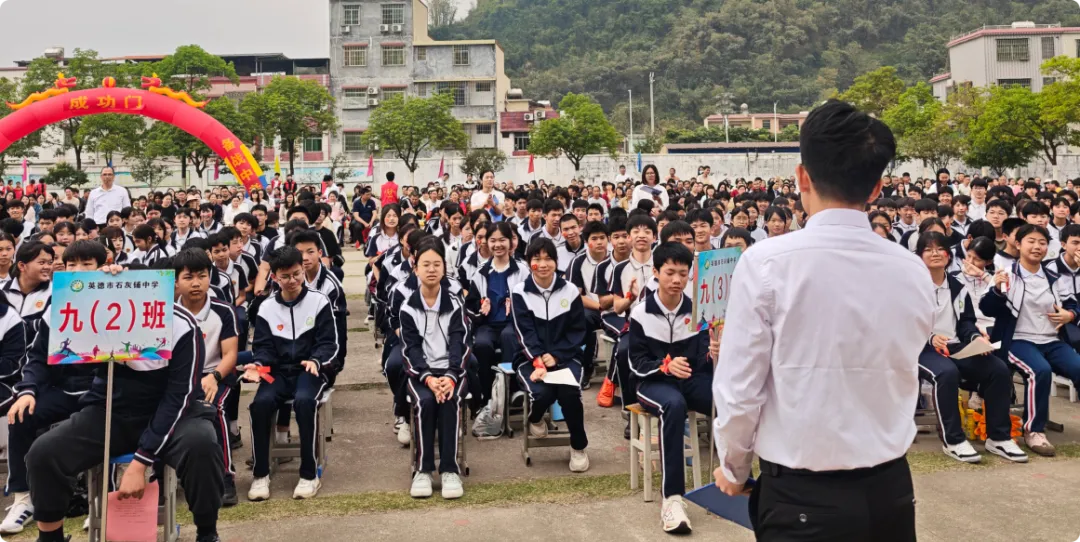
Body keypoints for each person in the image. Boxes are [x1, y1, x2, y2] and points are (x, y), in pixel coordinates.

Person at [713, 100, 934, 540]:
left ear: (802, 178)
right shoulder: (912, 269)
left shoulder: (766, 263)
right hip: (890, 491)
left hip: (802, 497)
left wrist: (733, 468)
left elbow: (740, 388)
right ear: (876, 189)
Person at [25, 243, 225, 542]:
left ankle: (207, 532)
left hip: (172, 415)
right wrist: (28, 389)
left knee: (203, 445)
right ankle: (50, 537)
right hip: (109, 410)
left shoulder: (182, 326)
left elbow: (178, 398)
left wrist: (141, 461)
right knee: (43, 453)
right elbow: (41, 353)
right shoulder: (88, 308)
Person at [915, 231, 1027, 464]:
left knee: (997, 368)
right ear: (919, 256)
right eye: (929, 249)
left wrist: (976, 337)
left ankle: (998, 437)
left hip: (955, 345)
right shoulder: (910, 286)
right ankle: (954, 440)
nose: (935, 253)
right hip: (920, 347)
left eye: (940, 249)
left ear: (949, 255)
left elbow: (966, 322)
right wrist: (930, 337)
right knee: (946, 373)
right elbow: (902, 321)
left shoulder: (957, 287)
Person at [629, 242, 718, 533]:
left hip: (690, 379)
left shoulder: (698, 312)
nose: (677, 280)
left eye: (683, 273)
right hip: (652, 383)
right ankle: (673, 499)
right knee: (674, 405)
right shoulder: (641, 313)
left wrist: (714, 352)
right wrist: (664, 366)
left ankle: (733, 479)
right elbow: (636, 363)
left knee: (727, 399)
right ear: (655, 272)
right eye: (670, 273)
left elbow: (704, 360)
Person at [245, 247, 339, 501]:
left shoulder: (319, 301)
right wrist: (259, 366)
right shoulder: (266, 308)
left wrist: (317, 361)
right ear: (274, 277)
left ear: (303, 270)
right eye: (285, 276)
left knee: (305, 401)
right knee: (260, 404)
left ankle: (309, 474)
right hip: (277, 373)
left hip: (310, 370)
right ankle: (260, 473)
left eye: (297, 274)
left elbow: (329, 343)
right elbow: (262, 347)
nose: (293, 280)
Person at [981, 224, 1080, 457]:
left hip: (1052, 340)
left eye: (1042, 243)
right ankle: (1034, 431)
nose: (1037, 247)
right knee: (1039, 371)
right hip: (1018, 340)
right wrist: (996, 289)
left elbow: (1073, 304)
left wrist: (1070, 315)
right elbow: (988, 307)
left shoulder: (1054, 276)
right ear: (1018, 244)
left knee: (1078, 368)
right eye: (1031, 241)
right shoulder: (1007, 274)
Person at [511, 237, 590, 472]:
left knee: (569, 393)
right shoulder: (520, 292)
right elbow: (523, 331)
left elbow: (578, 331)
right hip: (529, 359)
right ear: (529, 262)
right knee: (542, 393)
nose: (543, 264)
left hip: (567, 358)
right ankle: (535, 418)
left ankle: (578, 447)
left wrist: (556, 356)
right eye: (537, 259)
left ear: (556, 262)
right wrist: (538, 359)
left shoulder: (570, 291)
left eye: (548, 259)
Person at [401, 239, 470, 499]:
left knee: (449, 400)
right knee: (426, 402)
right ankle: (423, 469)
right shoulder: (408, 307)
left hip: (453, 372)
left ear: (444, 269)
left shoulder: (455, 303)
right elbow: (411, 349)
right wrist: (428, 378)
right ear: (415, 268)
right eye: (425, 264)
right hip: (422, 373)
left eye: (436, 264)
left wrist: (450, 377)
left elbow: (460, 344)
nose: (431, 269)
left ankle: (450, 470)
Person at [173, 248, 242, 506]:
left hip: (215, 375)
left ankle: (226, 476)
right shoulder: (167, 311)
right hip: (180, 378)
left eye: (202, 276)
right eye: (188, 277)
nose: (196, 283)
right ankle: (160, 476)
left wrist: (213, 376)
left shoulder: (223, 311)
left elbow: (230, 354)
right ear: (177, 282)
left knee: (217, 409)